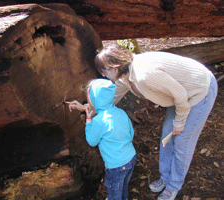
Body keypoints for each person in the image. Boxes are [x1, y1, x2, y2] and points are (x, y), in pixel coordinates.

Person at [91, 44, 218, 200]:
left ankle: (174, 185)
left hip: (197, 91)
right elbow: (114, 96)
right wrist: (92, 110)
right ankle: (165, 177)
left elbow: (181, 95)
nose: (103, 75)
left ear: (115, 68)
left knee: (182, 142)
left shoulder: (145, 74)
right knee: (167, 137)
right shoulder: (125, 74)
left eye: (104, 71)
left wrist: (179, 122)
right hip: (177, 96)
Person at [67, 79, 136, 200]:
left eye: (89, 99)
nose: (88, 101)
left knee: (115, 191)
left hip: (116, 166)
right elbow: (131, 134)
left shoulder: (99, 121)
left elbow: (92, 141)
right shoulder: (121, 113)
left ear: (95, 100)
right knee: (124, 185)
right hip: (130, 158)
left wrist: (88, 122)